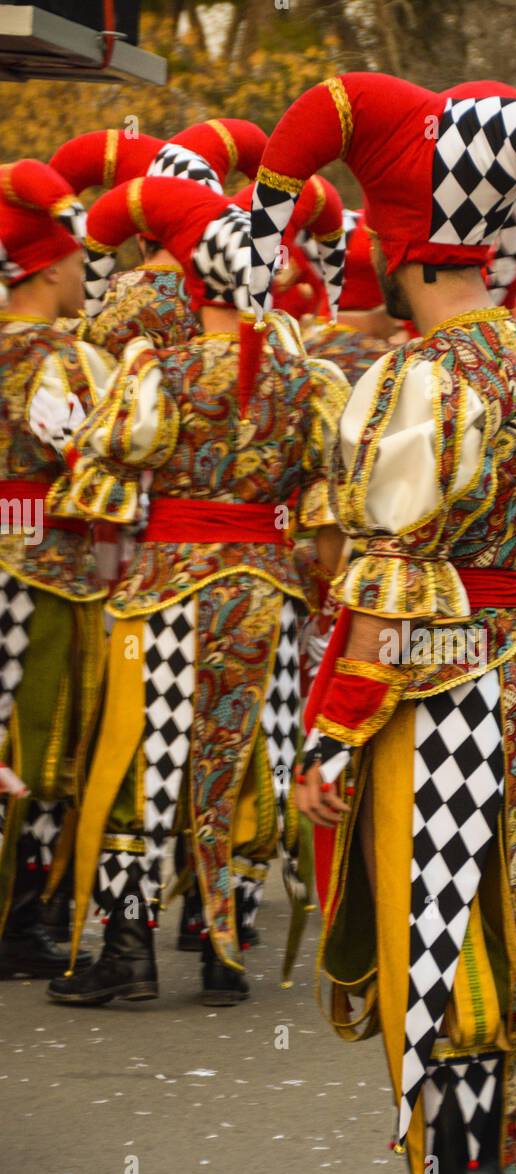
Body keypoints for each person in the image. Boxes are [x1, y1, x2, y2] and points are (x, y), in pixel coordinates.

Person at [248, 70, 516, 1174]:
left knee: (446, 948)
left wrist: (332, 733)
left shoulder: (420, 378)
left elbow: (393, 581)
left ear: (403, 253)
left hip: (443, 698)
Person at [45, 176, 348, 1008]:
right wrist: (319, 590)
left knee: (145, 759)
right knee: (244, 755)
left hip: (164, 592)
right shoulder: (304, 377)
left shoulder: (160, 370)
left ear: (197, 282)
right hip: (267, 592)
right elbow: (328, 502)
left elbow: (99, 465)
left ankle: (129, 950)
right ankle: (226, 949)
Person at [0, 159, 117, 979]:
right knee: (45, 749)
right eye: (76, 261)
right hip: (48, 567)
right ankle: (19, 918)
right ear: (46, 266)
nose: (85, 275)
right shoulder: (61, 359)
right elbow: (89, 455)